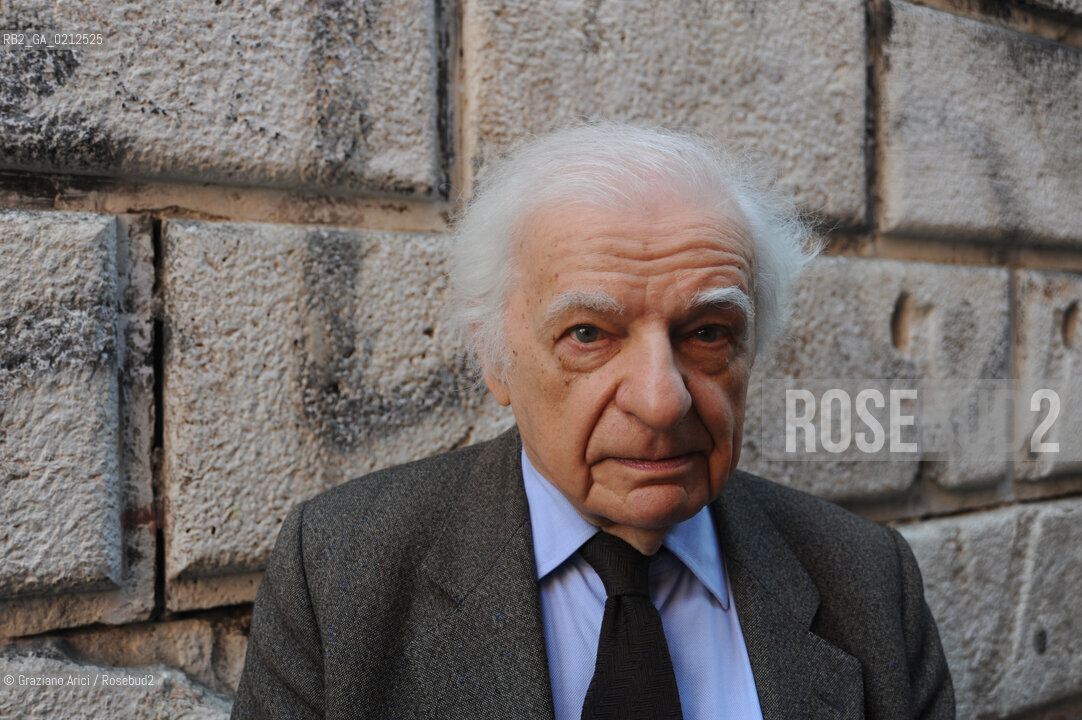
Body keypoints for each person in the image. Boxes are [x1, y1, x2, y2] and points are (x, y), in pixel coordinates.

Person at [232, 123, 954, 719]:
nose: (662, 401)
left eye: (707, 333)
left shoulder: (869, 581)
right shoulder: (339, 573)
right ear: (496, 358)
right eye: (588, 334)